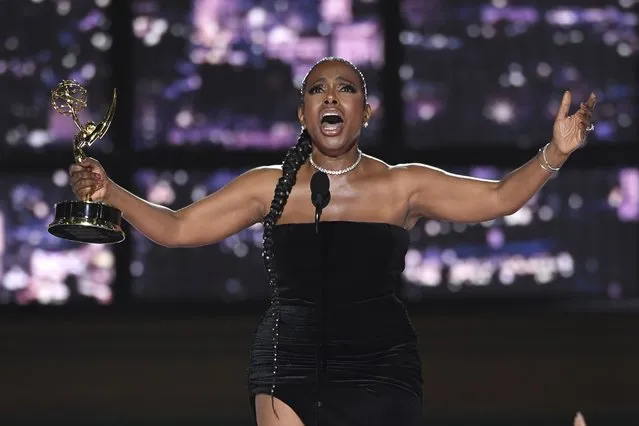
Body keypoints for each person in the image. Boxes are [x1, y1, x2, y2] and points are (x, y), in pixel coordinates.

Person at [69, 57, 596, 426]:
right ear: (303, 114)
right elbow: (178, 229)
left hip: (381, 366)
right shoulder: (267, 186)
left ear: (366, 112)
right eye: (318, 89)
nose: (331, 96)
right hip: (288, 362)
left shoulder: (400, 185)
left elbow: (501, 197)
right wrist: (112, 191)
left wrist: (555, 151)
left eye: (346, 88)